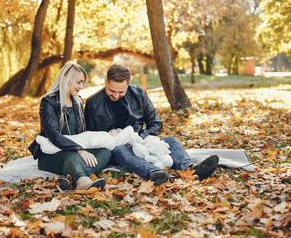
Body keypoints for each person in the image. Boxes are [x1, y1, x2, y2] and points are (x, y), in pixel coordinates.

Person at [84, 64, 219, 186]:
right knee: (121, 151)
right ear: (105, 82)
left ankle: (192, 168)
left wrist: (140, 138)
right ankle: (154, 173)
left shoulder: (139, 94)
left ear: (128, 85)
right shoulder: (93, 102)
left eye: (121, 92)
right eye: (112, 90)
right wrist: (109, 137)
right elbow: (90, 137)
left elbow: (156, 124)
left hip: (142, 141)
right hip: (116, 147)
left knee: (171, 140)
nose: (115, 95)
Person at [28, 61, 111, 190]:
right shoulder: (48, 101)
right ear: (67, 79)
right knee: (72, 158)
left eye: (83, 82)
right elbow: (54, 136)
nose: (81, 86)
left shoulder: (78, 101)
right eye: (79, 82)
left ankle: (69, 178)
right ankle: (82, 182)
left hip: (76, 150)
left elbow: (84, 132)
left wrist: (107, 135)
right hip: (52, 153)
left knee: (105, 151)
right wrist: (79, 149)